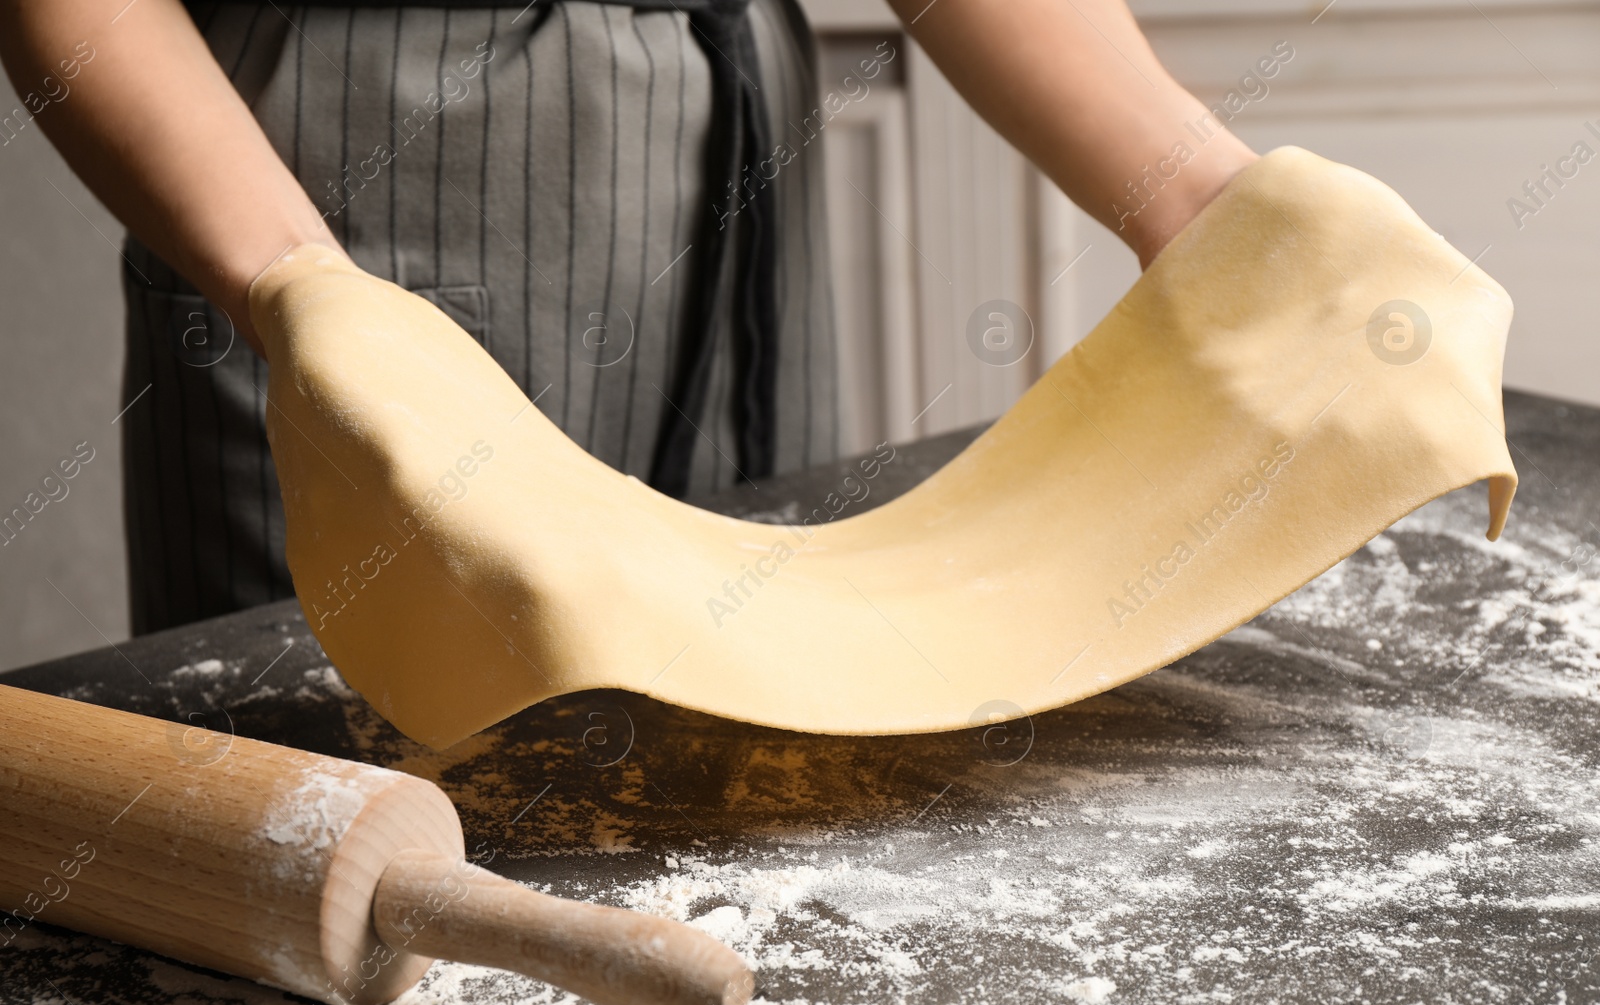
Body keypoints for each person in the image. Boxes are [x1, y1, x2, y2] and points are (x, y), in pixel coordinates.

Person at [0, 0, 1257, 635]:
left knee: (764, 774)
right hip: (331, 179)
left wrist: (1203, 201)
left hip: (735, 143)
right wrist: (293, 280)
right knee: (361, 833)